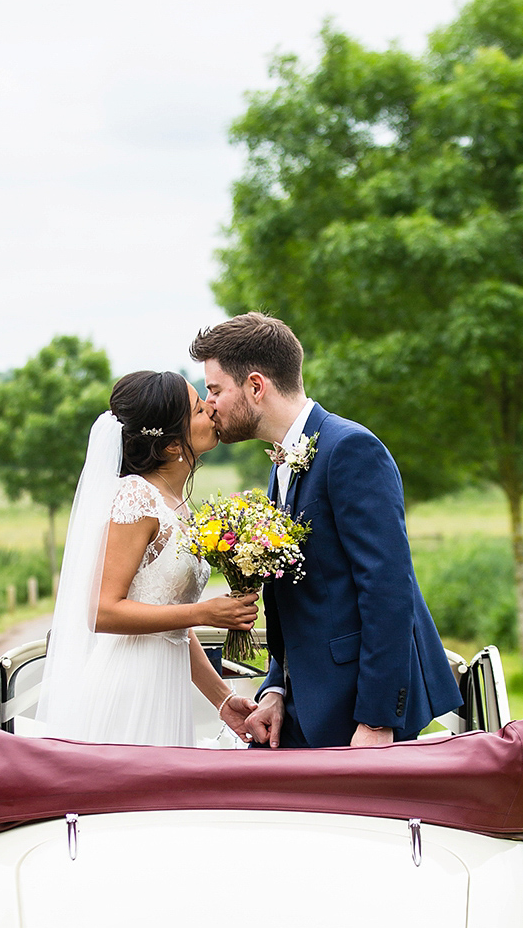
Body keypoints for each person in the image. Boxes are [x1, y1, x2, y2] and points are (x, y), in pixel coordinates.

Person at [189, 313, 462, 749]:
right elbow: (300, 597)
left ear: (256, 386)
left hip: (358, 712)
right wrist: (276, 689)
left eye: (216, 389)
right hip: (307, 705)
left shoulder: (350, 449)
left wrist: (375, 721)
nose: (209, 403)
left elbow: (387, 590)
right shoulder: (283, 463)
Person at [36, 370, 260, 746]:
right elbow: (101, 611)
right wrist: (203, 613)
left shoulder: (178, 506)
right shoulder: (135, 498)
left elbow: (168, 625)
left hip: (165, 686)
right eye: (198, 409)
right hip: (129, 687)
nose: (211, 409)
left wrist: (222, 699)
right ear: (173, 445)